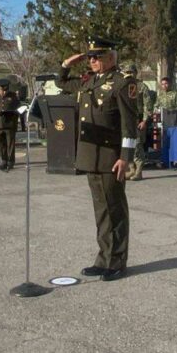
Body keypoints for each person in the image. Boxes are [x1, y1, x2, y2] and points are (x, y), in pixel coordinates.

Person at [55, 37, 138, 282]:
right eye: (89, 57)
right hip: (91, 156)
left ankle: (117, 262)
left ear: (111, 58)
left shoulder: (123, 83)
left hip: (111, 158)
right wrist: (68, 62)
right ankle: (103, 259)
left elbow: (129, 126)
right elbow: (60, 81)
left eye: (97, 57)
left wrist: (126, 157)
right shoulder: (88, 82)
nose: (92, 61)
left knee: (115, 210)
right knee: (101, 212)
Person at [123, 64, 153, 181]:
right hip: (126, 120)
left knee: (137, 146)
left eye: (131, 72)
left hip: (138, 120)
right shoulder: (123, 86)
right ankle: (131, 170)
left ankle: (139, 171)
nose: (129, 74)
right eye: (127, 72)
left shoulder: (141, 86)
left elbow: (148, 105)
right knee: (127, 145)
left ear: (135, 73)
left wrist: (145, 120)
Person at [0, 78, 20, 171]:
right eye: (2, 90)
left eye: (5, 90)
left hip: (10, 124)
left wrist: (15, 112)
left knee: (10, 144)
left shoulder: (13, 96)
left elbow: (18, 108)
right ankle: (3, 160)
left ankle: (10, 161)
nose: (4, 92)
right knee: (0, 143)